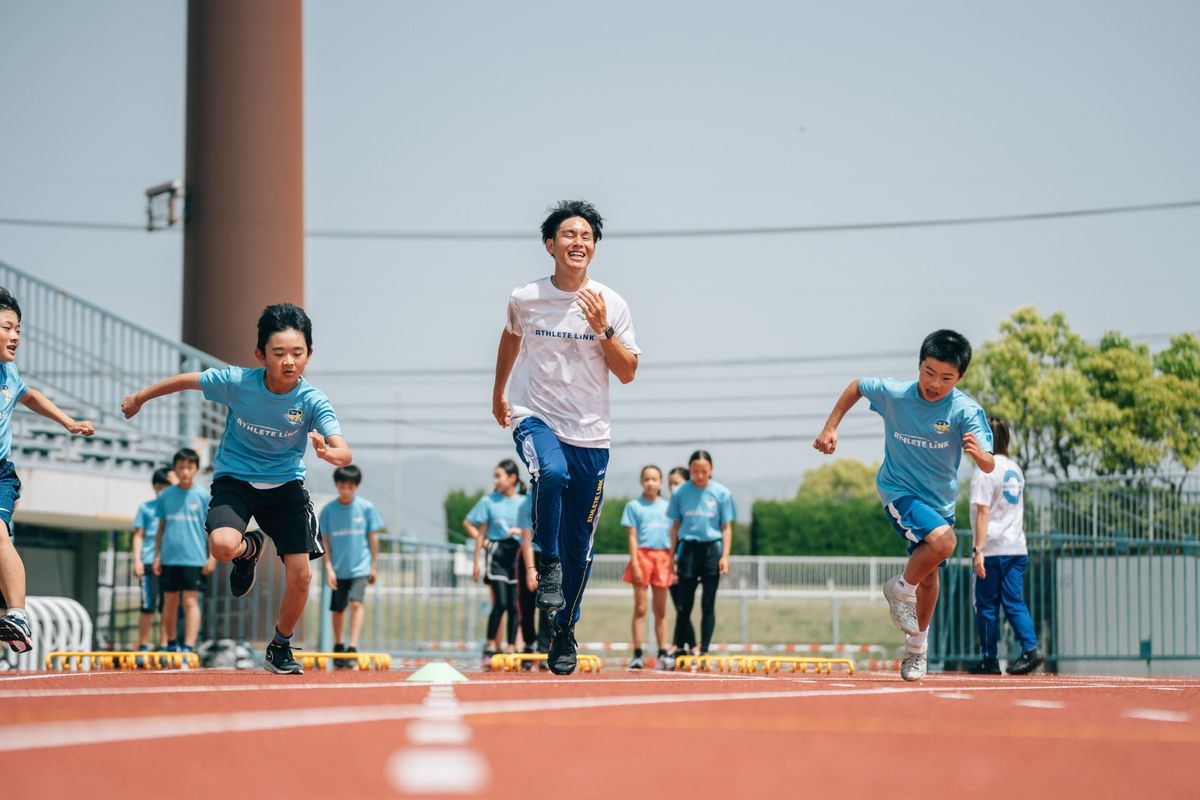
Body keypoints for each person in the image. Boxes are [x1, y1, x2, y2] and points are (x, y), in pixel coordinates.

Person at [122, 302, 352, 675]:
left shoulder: (312, 400)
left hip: (286, 487)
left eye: (297, 353)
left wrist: (331, 452)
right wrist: (139, 398)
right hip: (236, 481)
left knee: (301, 576)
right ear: (261, 354)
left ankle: (280, 645)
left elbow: (343, 447)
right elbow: (187, 380)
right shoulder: (237, 382)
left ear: (310, 354)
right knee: (224, 546)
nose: (289, 362)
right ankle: (250, 549)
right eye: (279, 353)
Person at [492, 200, 640, 675]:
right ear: (550, 245)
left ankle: (564, 630)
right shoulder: (526, 297)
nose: (578, 243)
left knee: (583, 544)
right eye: (569, 236)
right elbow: (511, 337)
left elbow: (628, 372)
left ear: (594, 247)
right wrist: (499, 393)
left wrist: (603, 329)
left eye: (587, 237)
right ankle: (547, 561)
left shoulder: (610, 303)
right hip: (537, 417)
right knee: (548, 472)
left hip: (592, 435)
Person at [814, 329, 994, 682]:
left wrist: (981, 456)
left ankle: (917, 651)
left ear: (959, 378)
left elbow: (989, 464)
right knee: (944, 543)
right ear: (919, 366)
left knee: (930, 577)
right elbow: (857, 386)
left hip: (938, 501)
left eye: (946, 378)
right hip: (899, 491)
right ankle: (899, 588)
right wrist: (830, 426)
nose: (934, 384)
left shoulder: (965, 410)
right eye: (929, 372)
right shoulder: (896, 394)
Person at [0, 287, 95, 653]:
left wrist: (68, 422)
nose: (15, 337)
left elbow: (30, 395)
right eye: (7, 328)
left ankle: (18, 614)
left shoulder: (9, 370)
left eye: (18, 330)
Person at [969, 417, 1042, 675]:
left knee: (986, 605)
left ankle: (989, 659)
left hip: (992, 548)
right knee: (1014, 602)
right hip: (1016, 547)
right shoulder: (1014, 468)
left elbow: (983, 513)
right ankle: (1030, 649)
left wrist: (978, 551)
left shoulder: (984, 471)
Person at [668, 451, 735, 658]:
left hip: (711, 550)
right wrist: (672, 557)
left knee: (708, 602)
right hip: (688, 549)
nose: (699, 475)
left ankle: (704, 648)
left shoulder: (721, 493)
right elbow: (675, 526)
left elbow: (726, 527)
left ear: (711, 470)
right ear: (689, 470)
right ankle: (680, 646)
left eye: (704, 471)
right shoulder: (680, 492)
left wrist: (725, 555)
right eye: (695, 471)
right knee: (684, 603)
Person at [464, 460, 526, 664]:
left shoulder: (524, 502)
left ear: (512, 478)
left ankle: (511, 647)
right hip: (496, 553)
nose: (495, 480)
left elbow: (531, 529)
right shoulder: (489, 501)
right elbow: (477, 529)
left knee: (515, 605)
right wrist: (477, 558)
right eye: (495, 476)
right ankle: (490, 645)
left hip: (516, 554)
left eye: (499, 476)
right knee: (500, 602)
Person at [320, 465, 383, 668]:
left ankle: (353, 646)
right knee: (338, 609)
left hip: (360, 568)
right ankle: (339, 645)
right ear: (337, 486)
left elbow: (373, 538)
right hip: (338, 569)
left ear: (356, 487)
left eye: (350, 486)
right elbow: (325, 542)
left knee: (356, 603)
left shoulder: (366, 508)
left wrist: (373, 566)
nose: (345, 490)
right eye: (342, 486)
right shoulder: (328, 511)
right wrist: (328, 568)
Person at [154, 448, 215, 653]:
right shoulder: (166, 495)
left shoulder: (204, 496)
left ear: (196, 469)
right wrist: (156, 556)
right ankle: (170, 644)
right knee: (169, 602)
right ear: (175, 469)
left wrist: (212, 557)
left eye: (189, 467)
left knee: (190, 601)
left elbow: (213, 529)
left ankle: (188, 646)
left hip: (195, 558)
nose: (185, 472)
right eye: (181, 467)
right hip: (169, 558)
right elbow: (161, 528)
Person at [621, 465, 673, 669]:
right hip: (641, 556)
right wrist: (635, 562)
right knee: (641, 607)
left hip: (663, 557)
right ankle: (637, 654)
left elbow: (673, 535)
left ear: (661, 482)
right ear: (642, 481)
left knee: (661, 609)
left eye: (655, 479)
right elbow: (632, 537)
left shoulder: (669, 507)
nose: (651, 483)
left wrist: (672, 561)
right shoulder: (634, 506)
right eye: (647, 479)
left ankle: (662, 652)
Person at [131, 467, 176, 653]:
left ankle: (165, 645)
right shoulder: (146, 508)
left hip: (170, 562)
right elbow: (138, 535)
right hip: (149, 562)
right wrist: (137, 561)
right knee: (147, 606)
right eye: (167, 486)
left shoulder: (175, 509)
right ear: (158, 487)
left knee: (167, 607)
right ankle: (143, 645)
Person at [515, 492, 550, 669]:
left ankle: (545, 649)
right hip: (530, 557)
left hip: (550, 556)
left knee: (549, 604)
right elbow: (526, 541)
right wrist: (530, 571)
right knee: (526, 604)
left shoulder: (556, 498)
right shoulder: (526, 505)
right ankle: (529, 645)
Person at [664, 465, 695, 664]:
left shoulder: (689, 507)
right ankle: (687, 646)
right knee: (680, 605)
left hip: (685, 559)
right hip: (670, 560)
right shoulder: (672, 506)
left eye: (678, 483)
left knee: (685, 605)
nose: (673, 488)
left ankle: (691, 645)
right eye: (670, 484)